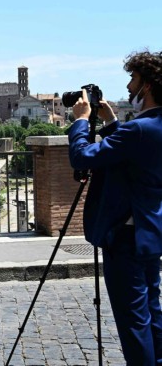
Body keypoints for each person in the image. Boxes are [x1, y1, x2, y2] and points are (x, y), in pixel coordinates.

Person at [68, 50, 162, 365]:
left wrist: (81, 122)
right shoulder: (149, 127)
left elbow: (83, 157)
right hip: (150, 232)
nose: (129, 87)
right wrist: (110, 123)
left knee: (134, 320)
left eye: (133, 79)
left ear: (147, 85)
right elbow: (130, 160)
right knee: (152, 309)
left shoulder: (137, 130)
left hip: (124, 235)